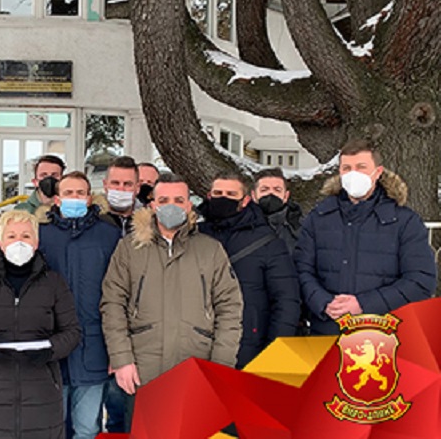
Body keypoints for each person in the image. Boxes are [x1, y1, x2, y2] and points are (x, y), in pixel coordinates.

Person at [101, 173, 243, 429]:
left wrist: (220, 366)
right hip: (144, 368)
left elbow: (230, 308)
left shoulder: (210, 250)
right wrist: (122, 359)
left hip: (196, 366)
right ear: (153, 205)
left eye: (178, 200)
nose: (171, 206)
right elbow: (113, 304)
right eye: (164, 200)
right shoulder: (129, 248)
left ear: (189, 205)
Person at [0, 210, 81, 439]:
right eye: (12, 236)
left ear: (36, 241)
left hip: (42, 393)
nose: (19, 242)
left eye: (26, 236)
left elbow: (72, 332)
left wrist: (50, 349)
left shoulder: (54, 283)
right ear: (1, 242)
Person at [294, 139, 436, 335]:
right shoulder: (318, 218)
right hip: (327, 331)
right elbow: (301, 270)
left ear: (377, 172)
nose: (353, 174)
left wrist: (364, 304)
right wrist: (323, 302)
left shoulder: (404, 221)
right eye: (347, 168)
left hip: (383, 335)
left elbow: (421, 281)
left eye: (361, 167)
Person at [38, 172, 121, 439]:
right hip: (52, 348)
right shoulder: (41, 234)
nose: (74, 198)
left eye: (80, 193)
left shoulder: (109, 235)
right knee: (52, 428)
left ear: (89, 198)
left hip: (94, 346)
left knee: (88, 428)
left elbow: (118, 293)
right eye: (68, 193)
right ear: (57, 199)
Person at [198, 171, 300, 368]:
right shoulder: (195, 236)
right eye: (218, 193)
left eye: (231, 194)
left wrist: (274, 352)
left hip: (248, 344)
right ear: (209, 196)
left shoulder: (267, 241)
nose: (223, 199)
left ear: (245, 200)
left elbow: (286, 301)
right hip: (198, 342)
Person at [251, 168, 303, 254]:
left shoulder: (301, 228)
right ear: (253, 195)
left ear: (286, 196)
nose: (271, 193)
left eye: (277, 190)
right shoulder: (238, 225)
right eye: (264, 190)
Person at [100, 156, 139, 236]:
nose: (121, 189)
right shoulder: (91, 220)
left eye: (127, 184)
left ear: (138, 188)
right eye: (115, 183)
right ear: (105, 185)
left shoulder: (151, 224)